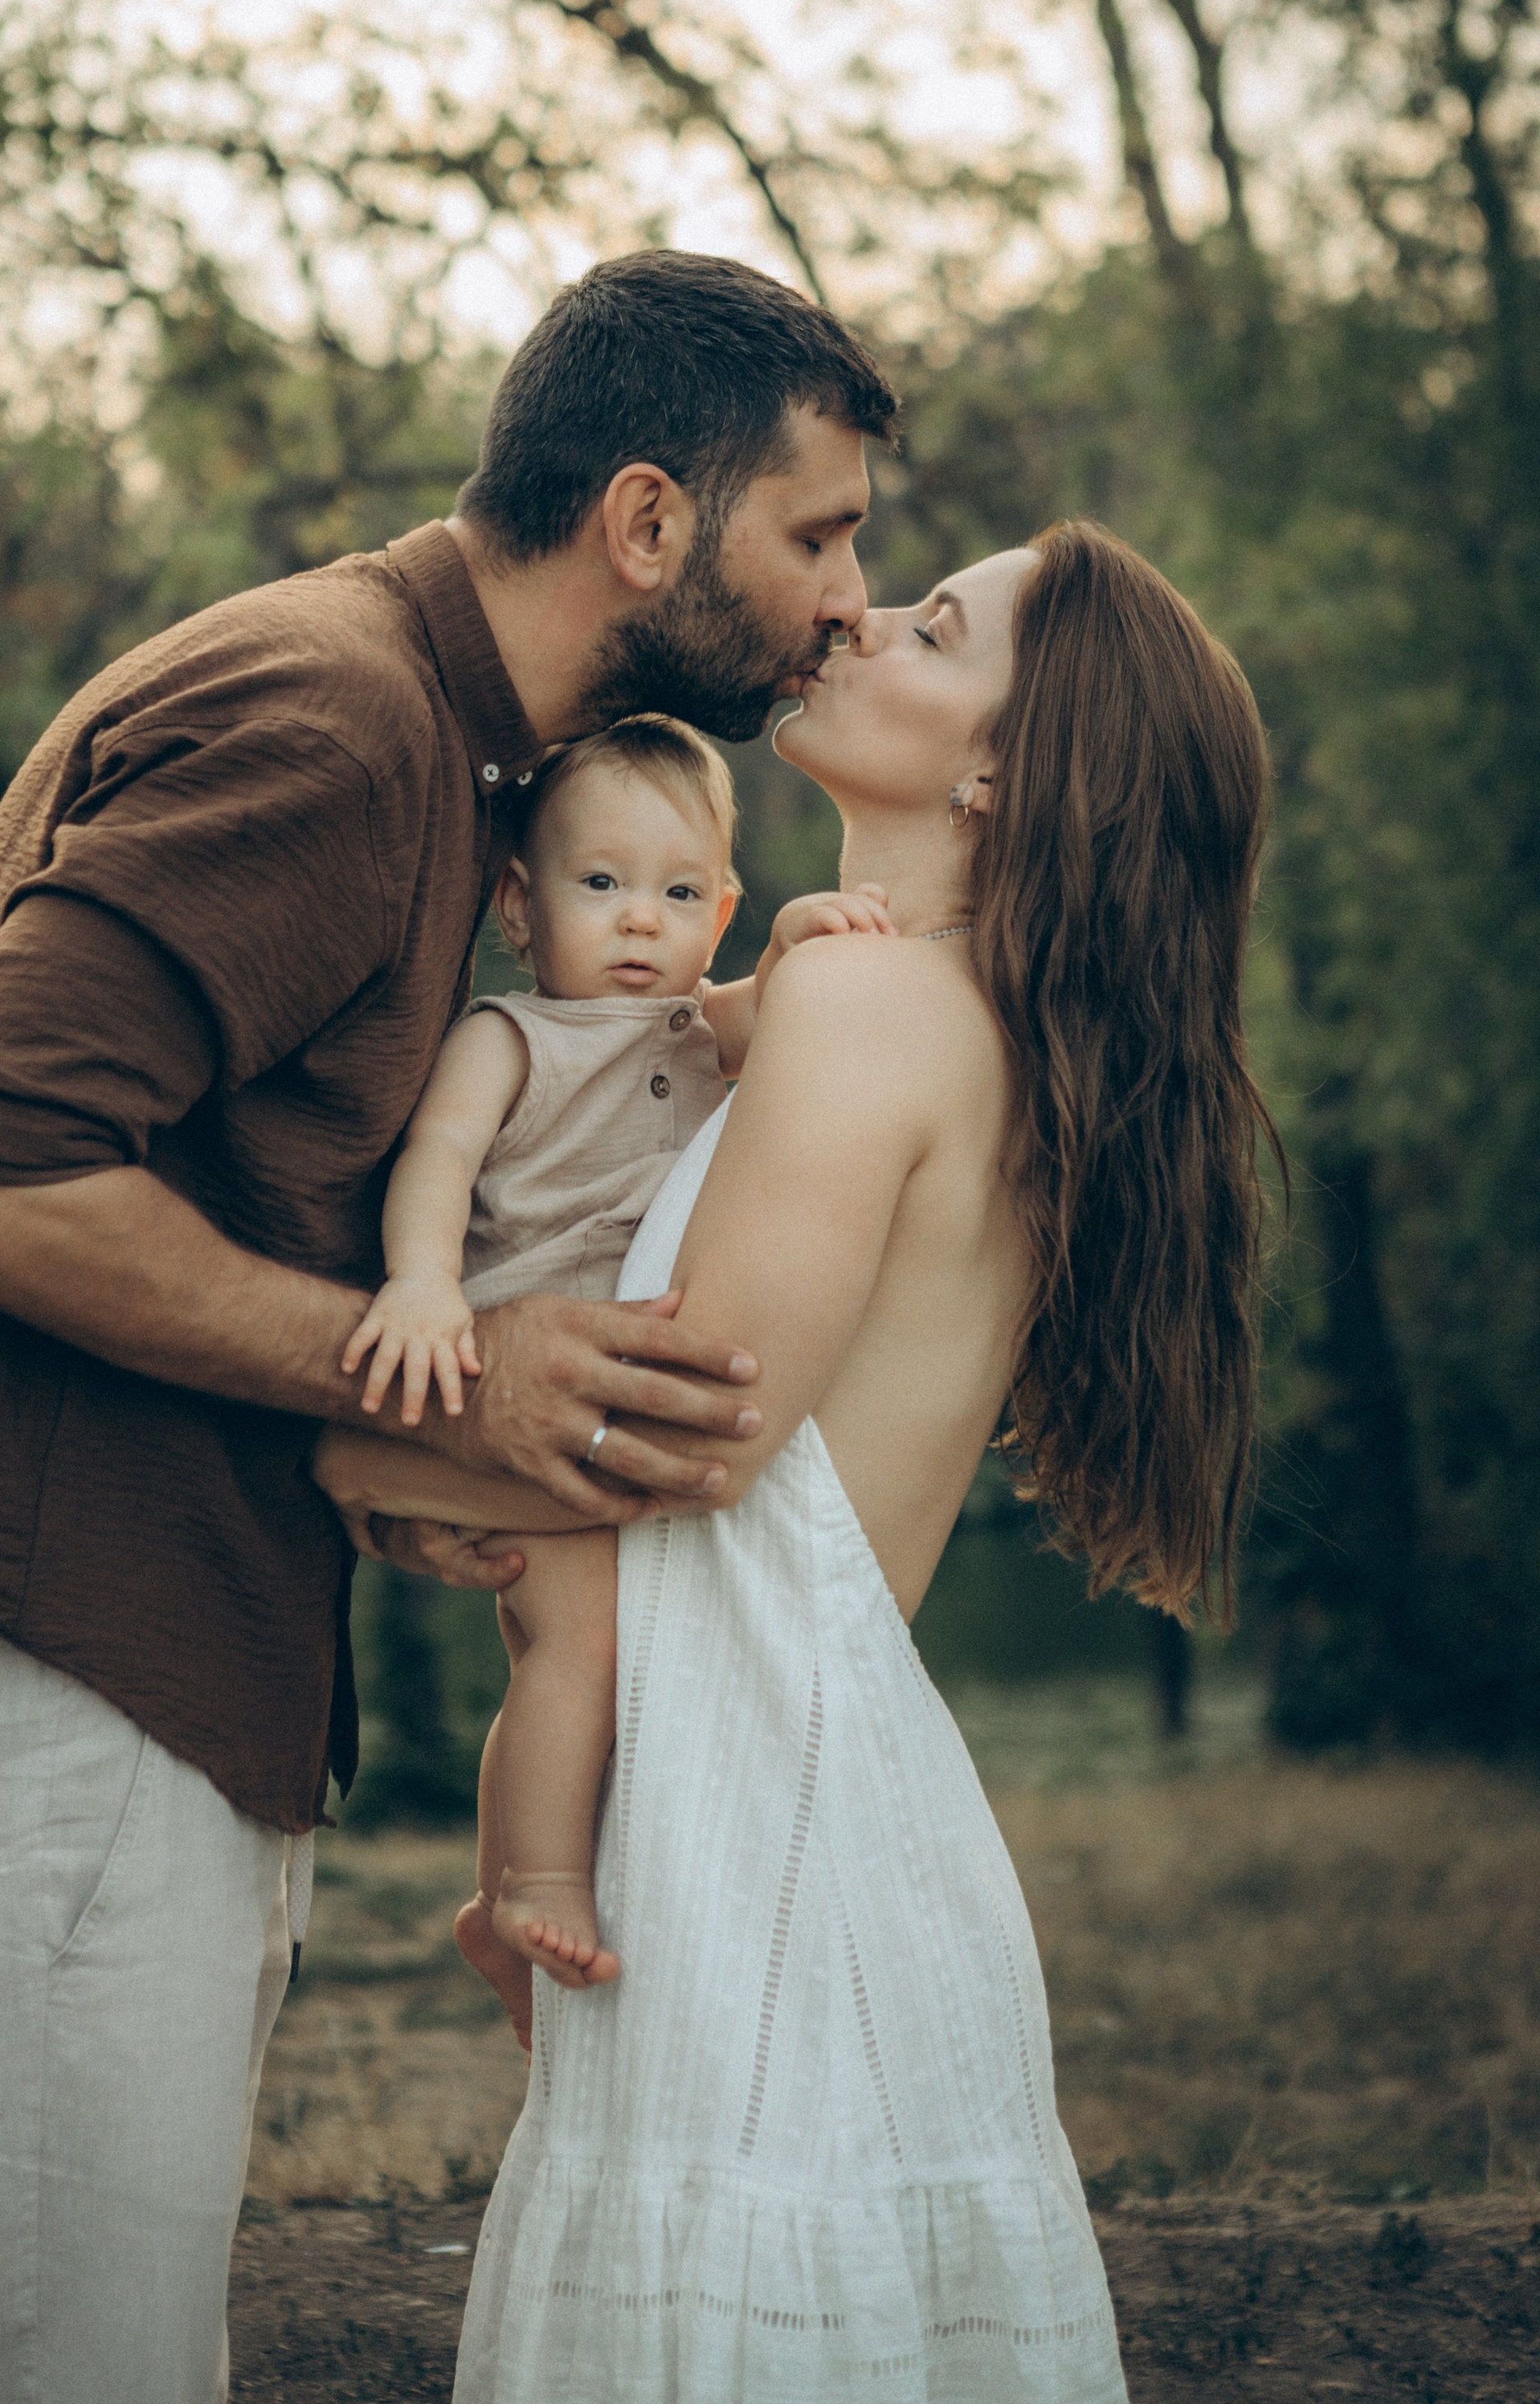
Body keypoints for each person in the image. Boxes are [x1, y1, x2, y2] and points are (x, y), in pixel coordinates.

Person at [0, 247, 897, 2404]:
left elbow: (211, 1180)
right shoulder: (341, 718)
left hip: (132, 1673)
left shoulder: (447, 755)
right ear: (649, 522)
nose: (847, 598)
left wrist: (376, 1445)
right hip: (47, 1673)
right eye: (817, 534)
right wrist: (425, 1356)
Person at [316, 519, 1274, 2400]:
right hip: (827, 1801)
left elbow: (692, 1433)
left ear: (1001, 769)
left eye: (928, 626)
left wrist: (345, 1461)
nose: (852, 610)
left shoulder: (856, 1008)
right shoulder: (947, 1021)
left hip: (741, 1825)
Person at [343, 714, 887, 2027]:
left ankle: (517, 1916)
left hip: (600, 1403)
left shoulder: (699, 1024)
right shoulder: (511, 1034)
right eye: (601, 885)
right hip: (509, 1398)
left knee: (613, 1668)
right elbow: (438, 1163)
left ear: (720, 912)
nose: (642, 921)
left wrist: (807, 941)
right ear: (520, 906)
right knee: (577, 1649)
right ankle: (529, 1887)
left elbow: (774, 1013)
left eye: (680, 892)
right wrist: (420, 1282)